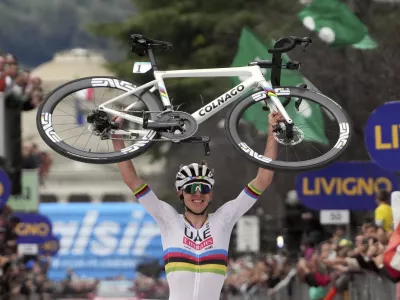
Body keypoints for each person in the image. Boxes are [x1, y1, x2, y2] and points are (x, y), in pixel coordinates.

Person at [113, 111, 283, 300]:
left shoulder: (223, 219)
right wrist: (117, 138)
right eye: (190, 188)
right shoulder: (168, 219)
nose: (197, 193)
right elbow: (132, 180)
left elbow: (263, 180)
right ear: (180, 193)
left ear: (210, 194)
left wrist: (272, 131)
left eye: (203, 188)